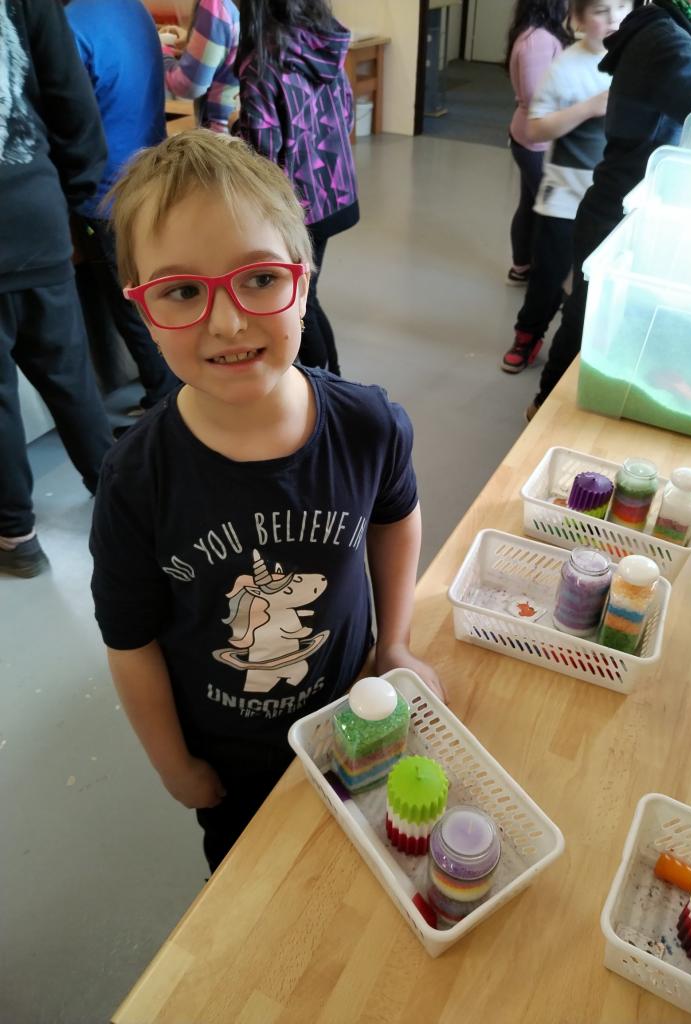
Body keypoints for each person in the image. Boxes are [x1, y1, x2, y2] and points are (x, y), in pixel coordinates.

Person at [89, 131, 443, 873]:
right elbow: (131, 642)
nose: (226, 321)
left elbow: (394, 518)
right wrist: (173, 765)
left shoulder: (369, 425)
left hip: (354, 705)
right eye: (182, 291)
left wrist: (396, 642)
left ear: (302, 284)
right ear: (143, 311)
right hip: (233, 753)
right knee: (255, 881)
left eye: (257, 278)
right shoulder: (135, 482)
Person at [526, 0, 691, 420]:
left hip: (626, 199)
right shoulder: (665, 39)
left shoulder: (675, 32)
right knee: (588, 314)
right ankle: (544, 408)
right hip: (616, 208)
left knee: (602, 311)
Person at [0, 0, 113, 579]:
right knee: (70, 374)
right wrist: (70, 198)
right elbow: (73, 101)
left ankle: (16, 537)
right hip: (34, 209)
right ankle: (120, 497)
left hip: (36, 211)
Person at [502, 0, 632, 373]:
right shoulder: (565, 66)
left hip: (610, 197)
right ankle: (528, 334)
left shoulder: (636, 61)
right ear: (578, 18)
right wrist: (589, 107)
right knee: (547, 276)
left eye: (622, 7)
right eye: (601, 10)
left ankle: (583, 345)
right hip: (563, 197)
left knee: (598, 280)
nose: (614, 18)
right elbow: (535, 129)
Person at [64, 0, 180, 413]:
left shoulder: (72, 26)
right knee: (158, 289)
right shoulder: (133, 8)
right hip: (151, 173)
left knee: (130, 303)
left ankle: (164, 401)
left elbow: (69, 122)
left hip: (105, 190)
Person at [236, 0, 359, 375]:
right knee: (309, 292)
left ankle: (325, 382)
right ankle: (332, 378)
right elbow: (347, 115)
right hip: (336, 192)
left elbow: (261, 155)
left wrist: (234, 137)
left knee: (301, 300)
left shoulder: (262, 63)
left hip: (300, 205)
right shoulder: (324, 43)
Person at [506, 0, 573, 285]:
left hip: (531, 137)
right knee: (551, 211)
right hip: (534, 140)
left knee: (531, 203)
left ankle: (521, 267)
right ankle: (544, 275)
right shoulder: (538, 40)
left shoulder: (535, 33)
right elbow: (536, 97)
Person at [163, 0, 240, 132]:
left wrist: (159, 51)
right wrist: (193, 43)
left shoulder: (215, 3)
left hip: (221, 134)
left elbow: (188, 85)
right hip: (244, 130)